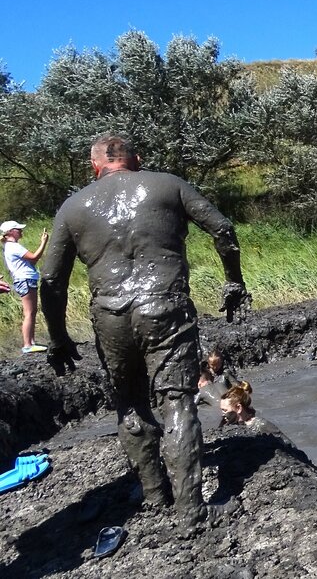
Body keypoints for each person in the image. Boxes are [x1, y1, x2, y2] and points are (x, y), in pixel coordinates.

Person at [38, 133, 250, 525]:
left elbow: (51, 280)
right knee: (177, 402)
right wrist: (233, 281)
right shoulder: (167, 185)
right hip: (164, 304)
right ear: (137, 158)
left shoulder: (74, 206)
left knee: (130, 402)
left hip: (110, 314)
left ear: (94, 165)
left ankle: (155, 496)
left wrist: (57, 336)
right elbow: (222, 228)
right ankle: (192, 510)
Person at [2, 220, 50, 354]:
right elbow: (35, 256)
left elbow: (32, 260)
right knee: (29, 312)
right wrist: (43, 242)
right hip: (25, 279)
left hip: (24, 279)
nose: (21, 231)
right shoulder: (14, 247)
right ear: (10, 232)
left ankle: (31, 342)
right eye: (18, 229)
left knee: (31, 312)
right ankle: (28, 345)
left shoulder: (10, 246)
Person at [219, 381, 291, 443]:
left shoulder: (261, 425)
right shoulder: (228, 424)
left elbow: (289, 444)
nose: (222, 414)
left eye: (225, 410)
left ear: (239, 408)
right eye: (221, 410)